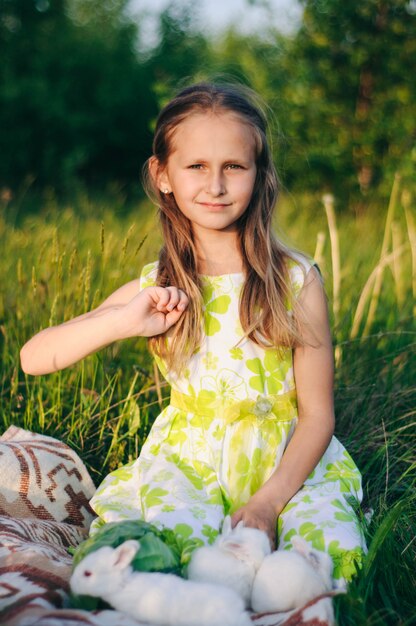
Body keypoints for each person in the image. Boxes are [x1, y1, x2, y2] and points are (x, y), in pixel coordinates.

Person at [20, 82, 366, 588]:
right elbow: (34, 357)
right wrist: (121, 322)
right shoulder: (154, 286)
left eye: (234, 166)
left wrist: (269, 503)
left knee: (323, 555)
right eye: (197, 166)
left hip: (287, 463)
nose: (216, 185)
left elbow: (317, 415)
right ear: (163, 176)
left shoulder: (296, 280)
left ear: (259, 175)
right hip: (190, 463)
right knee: (171, 551)